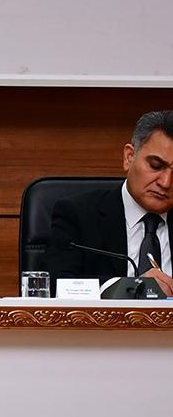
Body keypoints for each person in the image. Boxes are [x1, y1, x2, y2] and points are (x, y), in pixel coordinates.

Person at [42, 110, 173, 295]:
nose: (166, 182)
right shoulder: (78, 214)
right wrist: (131, 288)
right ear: (129, 157)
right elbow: (57, 284)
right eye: (156, 166)